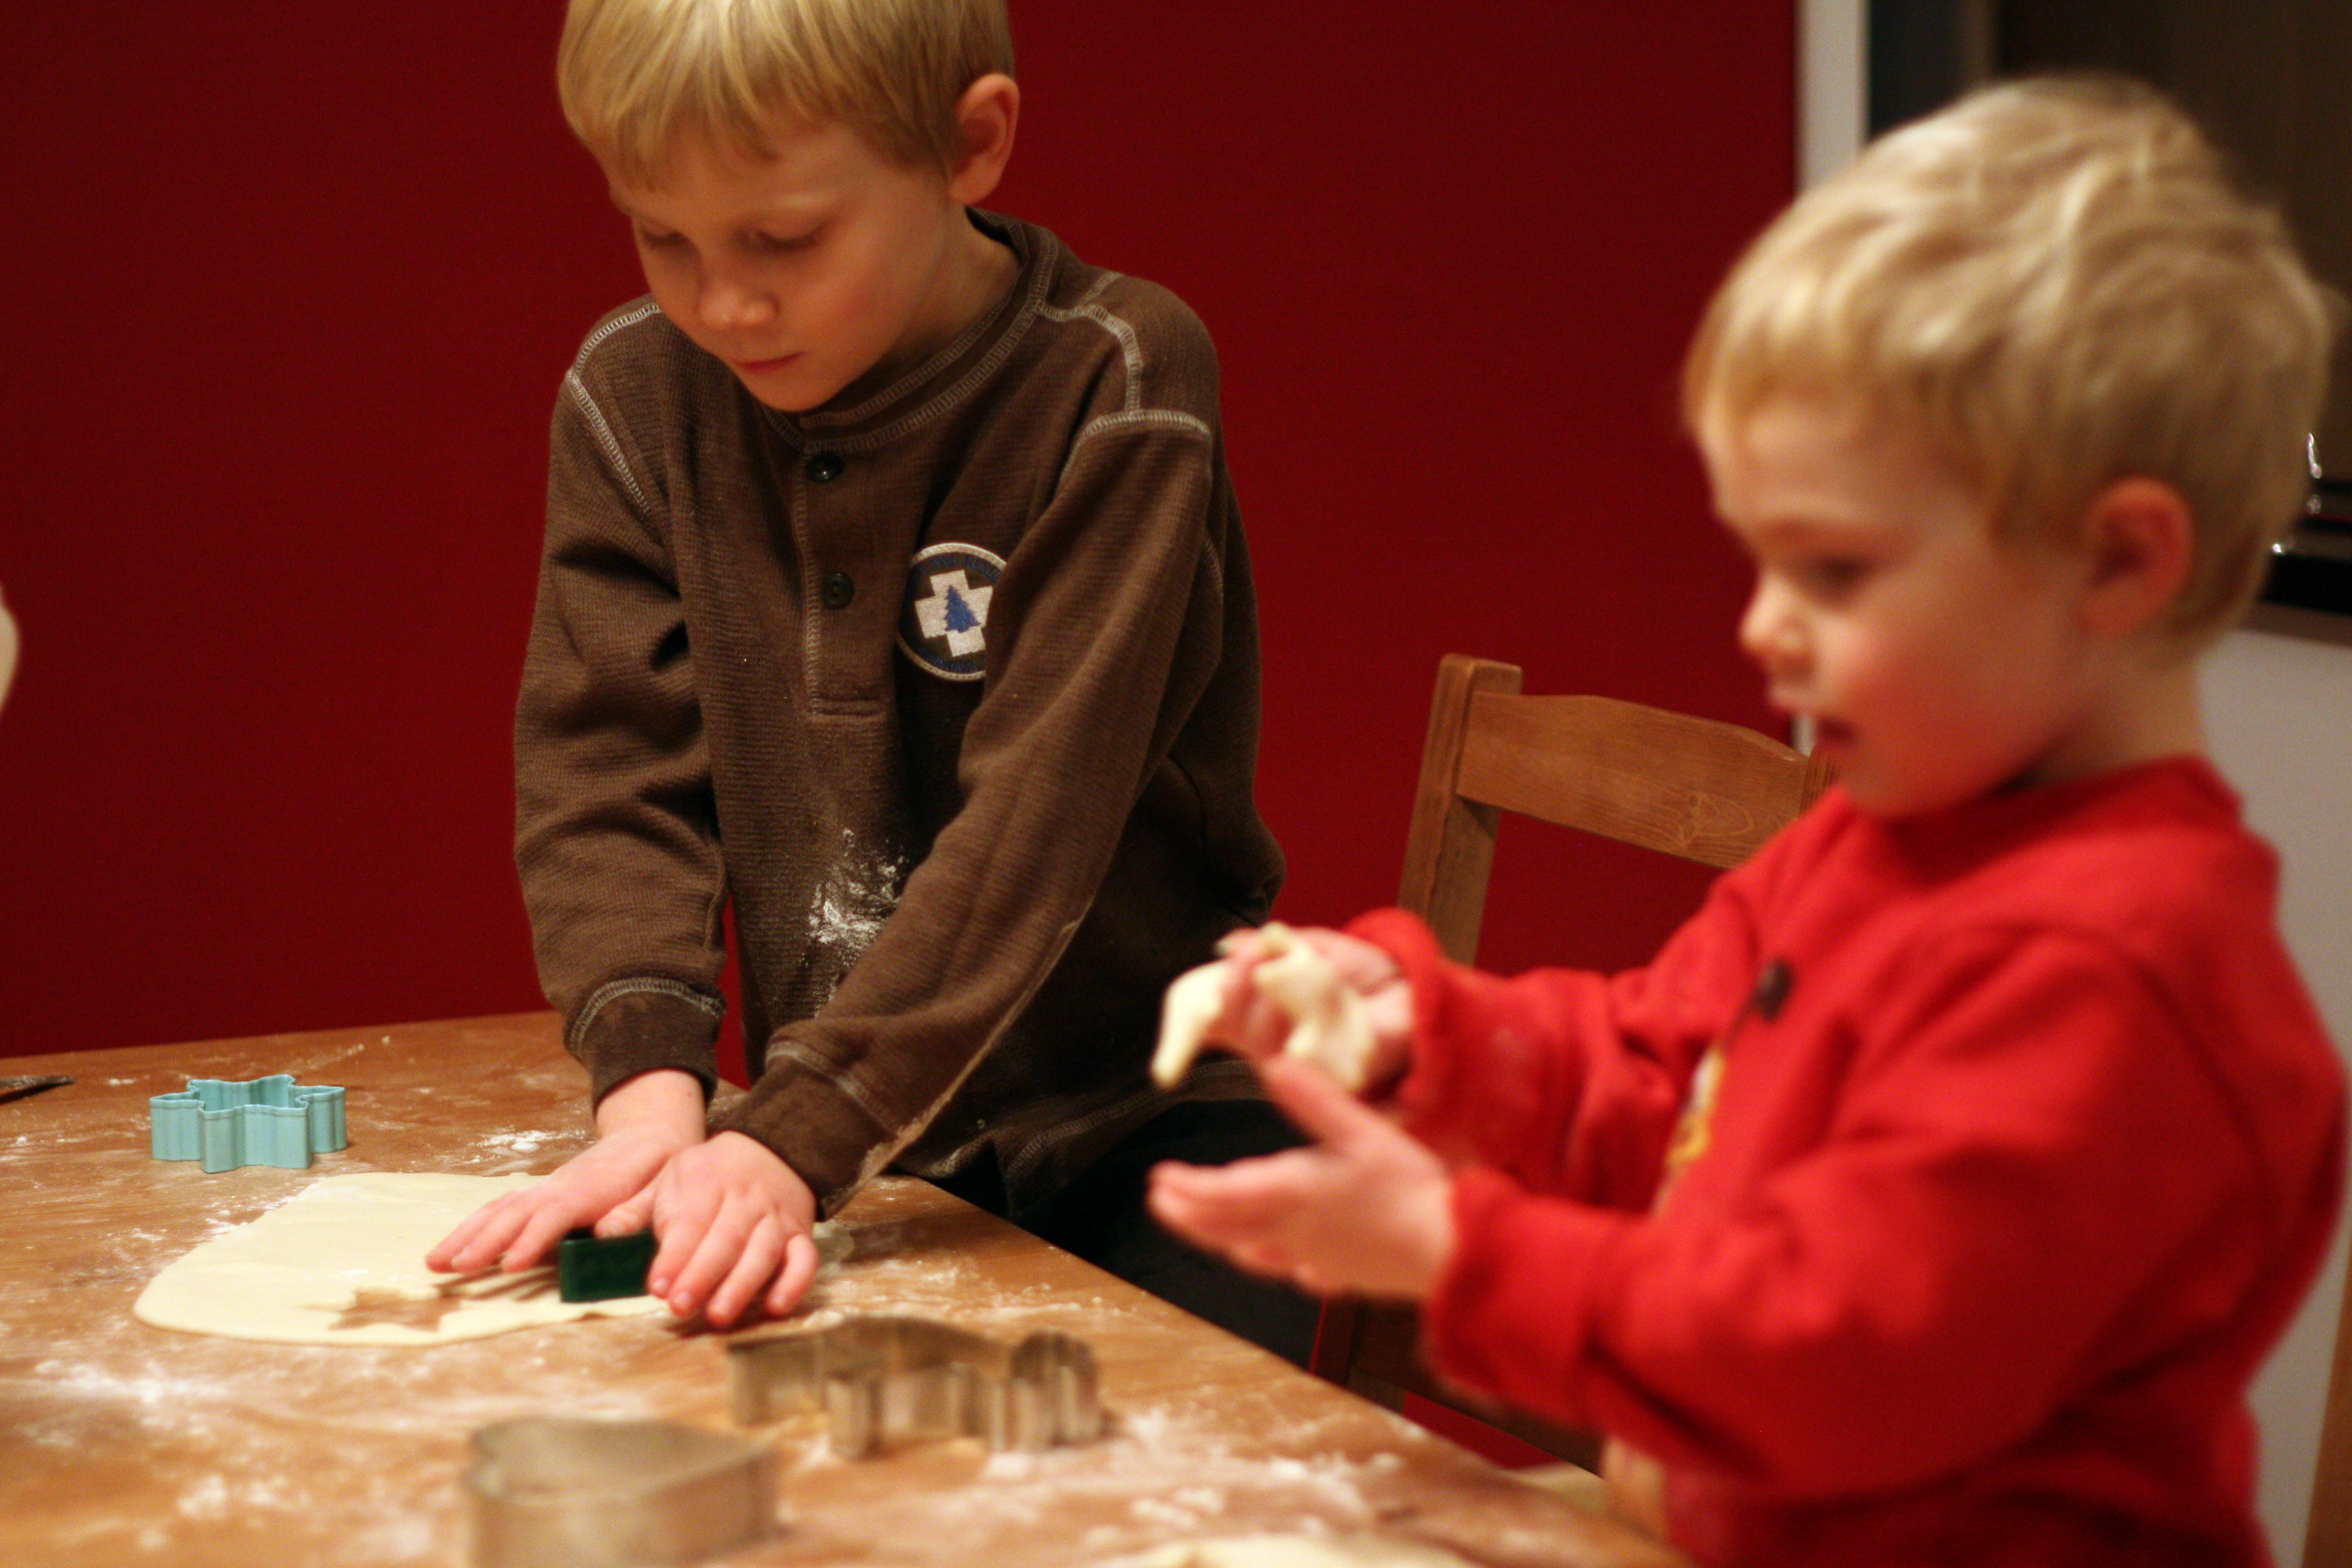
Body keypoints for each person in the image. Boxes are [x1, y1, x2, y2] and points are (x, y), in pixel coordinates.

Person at [1147, 77, 2345, 1565]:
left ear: (2118, 563)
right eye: (1763, 561)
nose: (1764, 627)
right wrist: (1417, 1033)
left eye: (1834, 572)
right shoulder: (1871, 839)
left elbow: (1828, 1359)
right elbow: (1663, 1079)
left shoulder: (2119, 972)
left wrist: (1458, 1250)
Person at [430, 0, 1316, 1363]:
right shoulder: (638, 394)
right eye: (663, 236)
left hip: (1148, 1132)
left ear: (971, 146)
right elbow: (608, 773)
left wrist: (795, 1131)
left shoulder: (1118, 380)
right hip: (858, 1143)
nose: (723, 304)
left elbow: (1033, 830)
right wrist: (652, 1091)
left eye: (785, 240)